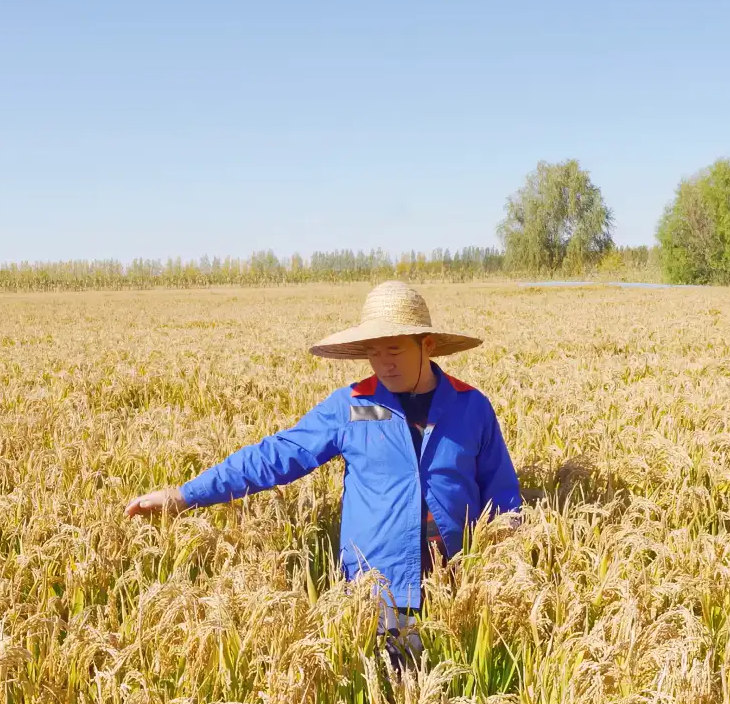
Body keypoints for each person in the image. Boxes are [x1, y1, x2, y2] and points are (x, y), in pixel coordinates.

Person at [126, 281, 523, 667]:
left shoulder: (471, 406)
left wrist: (508, 568)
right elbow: (276, 456)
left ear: (427, 344)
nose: (384, 362)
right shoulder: (351, 406)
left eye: (395, 349)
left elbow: (501, 491)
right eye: (373, 351)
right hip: (378, 589)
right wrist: (185, 496)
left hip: (460, 584)